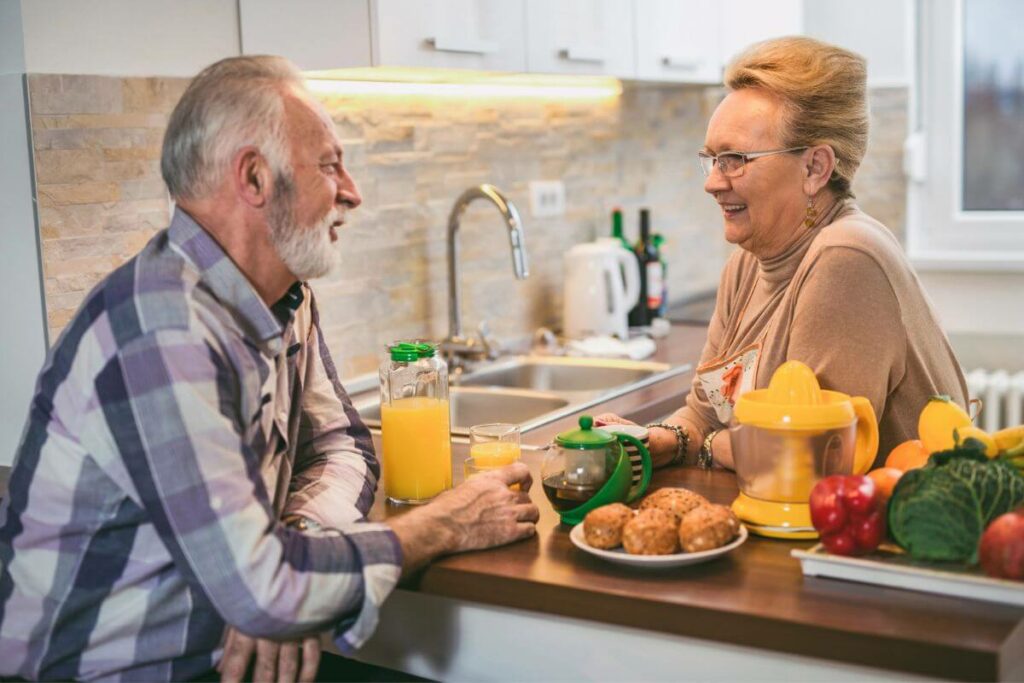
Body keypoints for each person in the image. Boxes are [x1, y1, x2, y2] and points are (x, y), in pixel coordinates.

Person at [0, 55, 539, 682]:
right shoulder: (159, 329)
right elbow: (265, 592)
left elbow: (342, 445)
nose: (353, 192)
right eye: (330, 164)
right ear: (255, 178)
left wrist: (298, 550)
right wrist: (443, 524)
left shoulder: (282, 295)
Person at [600, 37, 967, 471]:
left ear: (815, 168)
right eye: (712, 159)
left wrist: (704, 445)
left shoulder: (846, 257)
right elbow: (704, 411)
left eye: (735, 159)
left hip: (888, 531)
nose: (713, 182)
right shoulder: (748, 263)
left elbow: (810, 458)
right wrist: (662, 438)